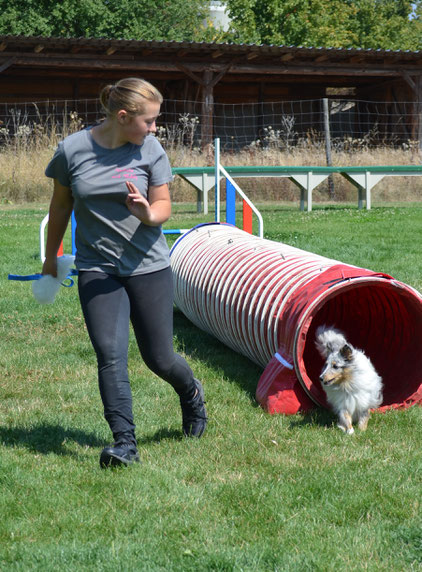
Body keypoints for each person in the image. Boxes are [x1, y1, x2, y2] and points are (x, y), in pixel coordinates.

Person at [43, 77, 207, 468]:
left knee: (160, 358)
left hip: (148, 266)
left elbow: (164, 203)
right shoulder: (72, 150)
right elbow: (61, 205)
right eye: (149, 121)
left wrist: (148, 214)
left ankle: (191, 394)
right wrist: (51, 256)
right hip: (97, 268)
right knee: (110, 355)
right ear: (122, 116)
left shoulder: (150, 150)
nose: (154, 128)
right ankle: (124, 443)